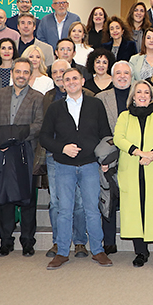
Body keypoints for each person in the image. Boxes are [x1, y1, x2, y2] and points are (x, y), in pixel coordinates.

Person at [40, 68, 113, 269]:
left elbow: (105, 134)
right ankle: (62, 252)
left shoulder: (95, 105)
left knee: (92, 210)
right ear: (63, 84)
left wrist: (104, 158)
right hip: (64, 166)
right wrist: (62, 148)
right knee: (64, 210)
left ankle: (98, 250)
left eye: (75, 78)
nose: (71, 82)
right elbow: (44, 137)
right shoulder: (55, 108)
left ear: (82, 81)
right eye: (67, 79)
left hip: (90, 165)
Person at [114, 80, 153, 271]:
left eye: (146, 93)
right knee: (135, 210)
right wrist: (139, 153)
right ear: (133, 97)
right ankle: (141, 252)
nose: (142, 95)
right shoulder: (124, 116)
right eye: (139, 92)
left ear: (151, 97)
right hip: (131, 171)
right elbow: (118, 138)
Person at [0, 58, 44, 257]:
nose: (21, 75)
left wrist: (14, 136)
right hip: (3, 152)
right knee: (4, 200)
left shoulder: (38, 97)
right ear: (12, 73)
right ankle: (5, 241)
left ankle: (28, 241)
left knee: (27, 201)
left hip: (25, 152)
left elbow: (39, 125)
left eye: (25, 72)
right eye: (18, 71)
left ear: (30, 74)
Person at [42, 59, 91, 258]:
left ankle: (79, 242)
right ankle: (58, 242)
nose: (61, 77)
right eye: (56, 72)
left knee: (79, 202)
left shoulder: (89, 98)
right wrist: (61, 148)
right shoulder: (48, 98)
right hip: (55, 156)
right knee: (56, 202)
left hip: (81, 157)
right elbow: (44, 132)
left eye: (64, 72)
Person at [96, 60, 134, 253]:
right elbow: (96, 129)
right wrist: (103, 158)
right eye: (118, 73)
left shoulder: (140, 94)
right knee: (108, 199)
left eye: (126, 73)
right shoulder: (101, 98)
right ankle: (109, 241)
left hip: (134, 155)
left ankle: (137, 243)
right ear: (112, 77)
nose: (122, 76)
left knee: (133, 200)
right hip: (109, 155)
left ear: (132, 76)